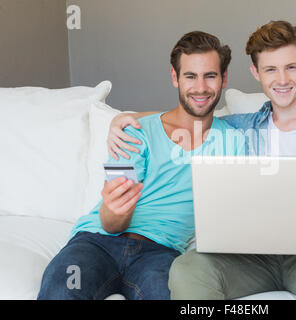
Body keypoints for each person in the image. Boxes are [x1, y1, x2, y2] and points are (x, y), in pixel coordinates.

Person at [107, 21, 296, 300]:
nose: (282, 80)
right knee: (188, 267)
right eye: (270, 69)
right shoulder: (239, 129)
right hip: (249, 259)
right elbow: (189, 114)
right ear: (255, 73)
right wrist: (123, 119)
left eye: (291, 67)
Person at [37, 31, 245, 300]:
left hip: (161, 254)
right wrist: (114, 211)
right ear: (175, 78)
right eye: (190, 76)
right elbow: (110, 223)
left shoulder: (234, 141)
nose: (201, 87)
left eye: (210, 75)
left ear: (224, 78)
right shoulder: (135, 131)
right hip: (97, 242)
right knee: (61, 289)